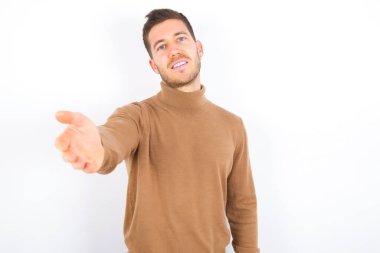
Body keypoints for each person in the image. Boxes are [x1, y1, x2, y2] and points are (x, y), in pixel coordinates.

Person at [55, 8, 259, 253]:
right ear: (153, 65)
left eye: (180, 38)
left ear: (199, 48)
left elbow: (242, 205)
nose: (173, 50)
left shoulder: (232, 125)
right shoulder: (137, 116)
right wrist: (98, 146)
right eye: (161, 46)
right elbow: (113, 137)